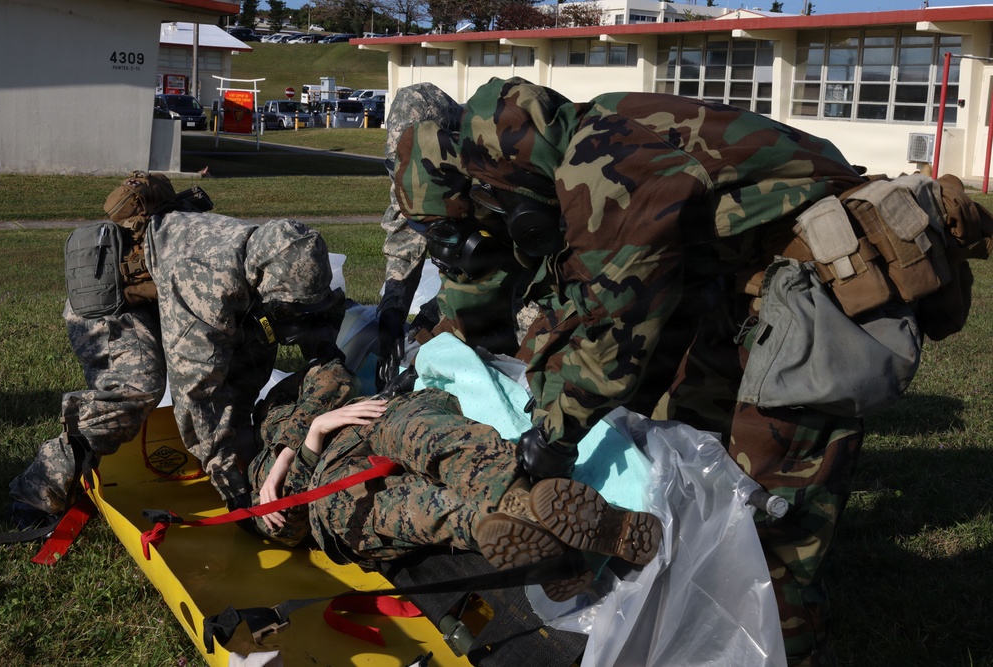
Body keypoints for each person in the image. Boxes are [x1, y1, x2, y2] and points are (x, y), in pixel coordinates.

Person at [390, 77, 993, 665]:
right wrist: (437, 349)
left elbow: (613, 332)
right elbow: (563, 301)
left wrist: (550, 438)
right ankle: (692, 618)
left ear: (506, 190)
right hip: (743, 285)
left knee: (772, 520)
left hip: (817, 296)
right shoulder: (557, 149)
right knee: (695, 463)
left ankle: (784, 645)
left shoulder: (604, 166)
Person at [9, 173, 346, 527]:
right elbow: (196, 391)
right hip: (113, 309)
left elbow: (311, 313)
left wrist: (323, 348)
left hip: (167, 289)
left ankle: (244, 465)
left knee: (246, 363)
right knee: (136, 389)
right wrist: (235, 494)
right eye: (282, 308)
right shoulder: (208, 277)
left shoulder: (277, 251)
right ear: (264, 278)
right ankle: (38, 490)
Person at [248, 358, 661, 603]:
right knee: (422, 511)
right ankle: (547, 532)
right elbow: (288, 528)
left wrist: (303, 434)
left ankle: (523, 502)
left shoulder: (298, 402)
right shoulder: (256, 471)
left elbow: (334, 377)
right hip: (335, 497)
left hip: (378, 423)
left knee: (430, 437)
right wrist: (308, 444)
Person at [375, 83, 540, 392]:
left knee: (533, 362)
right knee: (420, 340)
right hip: (473, 274)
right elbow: (404, 244)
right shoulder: (414, 179)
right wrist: (392, 311)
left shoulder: (500, 167)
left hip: (530, 272)